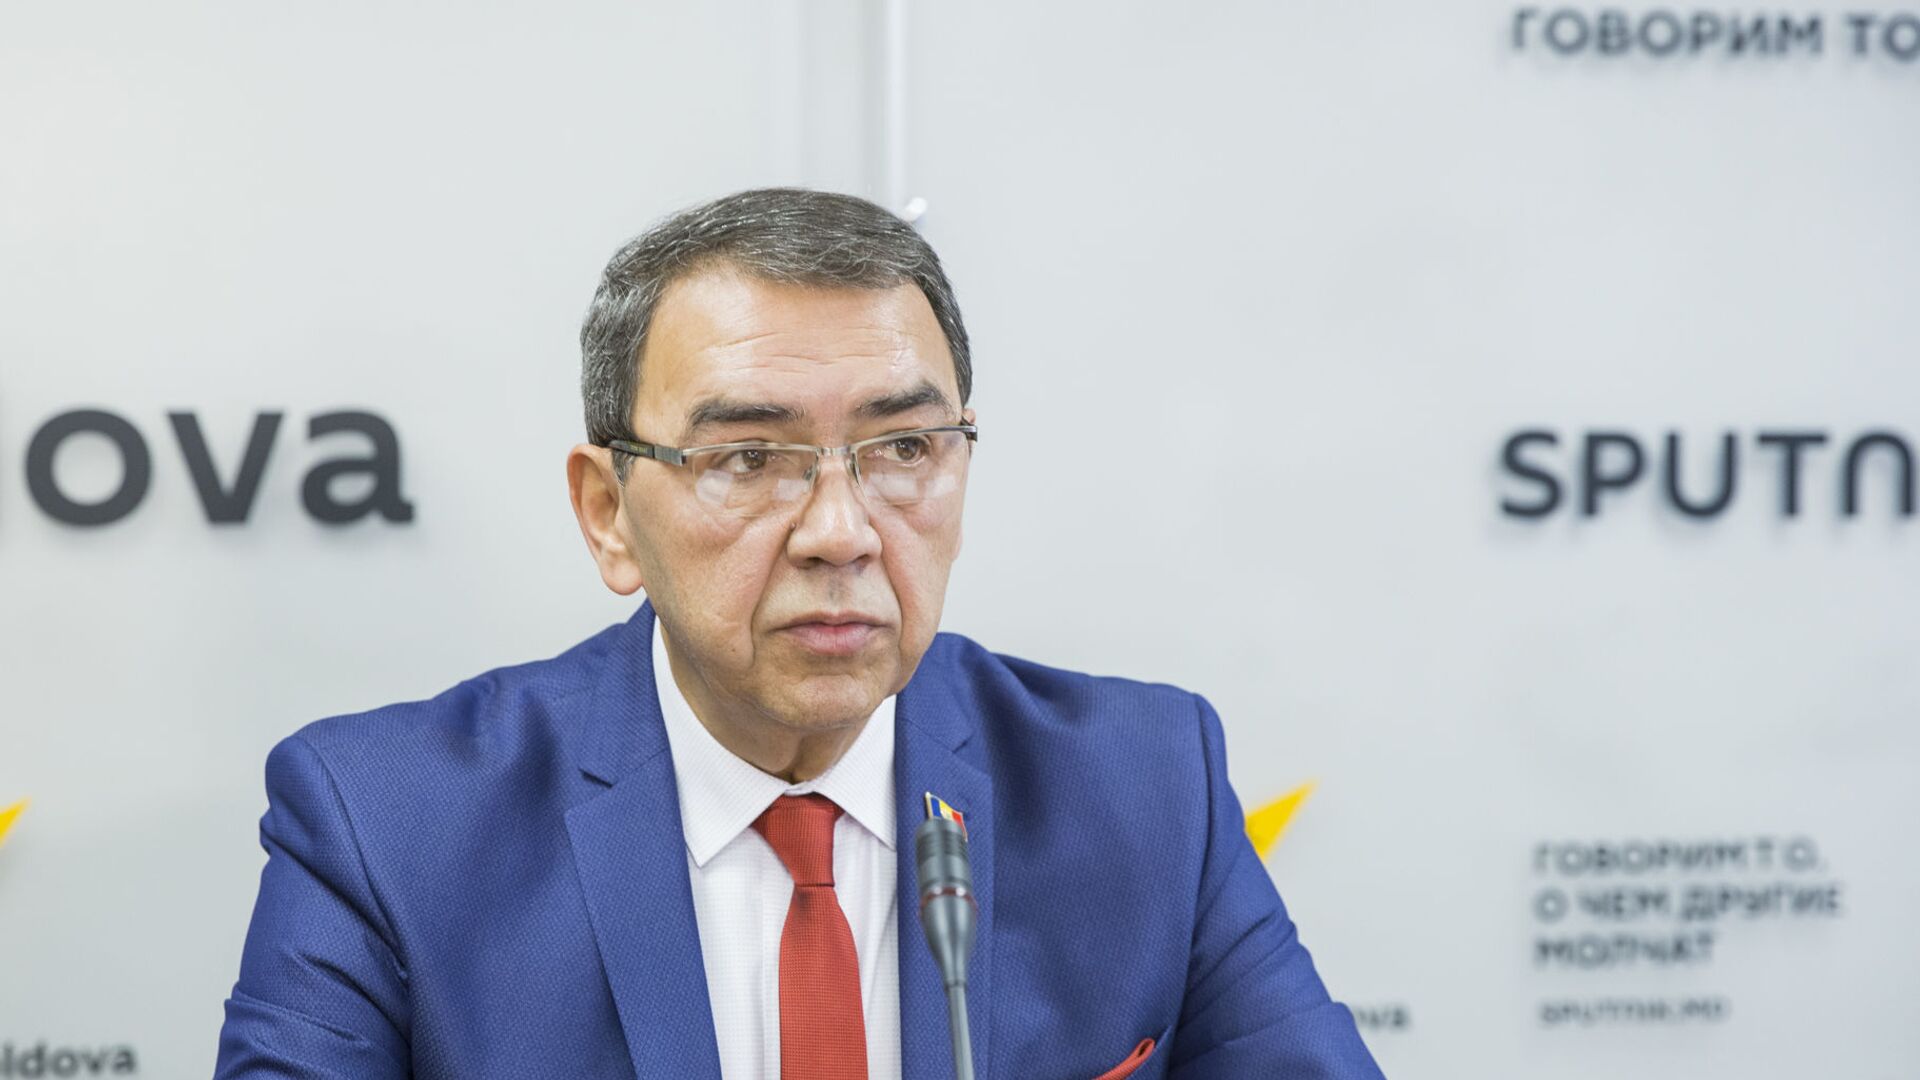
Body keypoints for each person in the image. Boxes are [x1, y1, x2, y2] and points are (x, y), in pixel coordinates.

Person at [213, 188, 1384, 1079]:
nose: (841, 532)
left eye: (904, 448)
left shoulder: (1145, 787)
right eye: (748, 459)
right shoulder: (387, 824)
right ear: (609, 513)